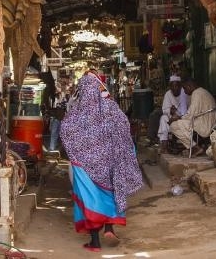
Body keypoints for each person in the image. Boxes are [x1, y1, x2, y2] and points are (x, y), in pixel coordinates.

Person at [60, 71, 144, 252]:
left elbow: (64, 132)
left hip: (85, 167)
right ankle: (109, 228)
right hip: (110, 164)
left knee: (91, 199)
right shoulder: (111, 108)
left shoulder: (75, 115)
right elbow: (125, 129)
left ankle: (95, 242)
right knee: (111, 195)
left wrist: (78, 153)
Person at [169, 78, 216, 157]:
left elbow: (191, 114)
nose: (184, 91)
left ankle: (194, 147)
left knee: (174, 126)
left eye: (184, 88)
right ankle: (193, 147)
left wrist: (177, 118)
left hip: (204, 124)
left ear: (189, 86)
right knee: (179, 123)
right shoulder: (203, 91)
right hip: (209, 122)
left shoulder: (196, 93)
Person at [157, 75, 188, 152]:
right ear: (170, 87)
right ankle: (164, 144)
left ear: (180, 86)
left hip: (184, 117)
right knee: (163, 118)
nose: (175, 88)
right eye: (173, 86)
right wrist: (170, 110)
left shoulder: (185, 92)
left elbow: (185, 109)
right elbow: (164, 109)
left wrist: (177, 112)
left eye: (176, 86)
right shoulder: (168, 94)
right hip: (171, 117)